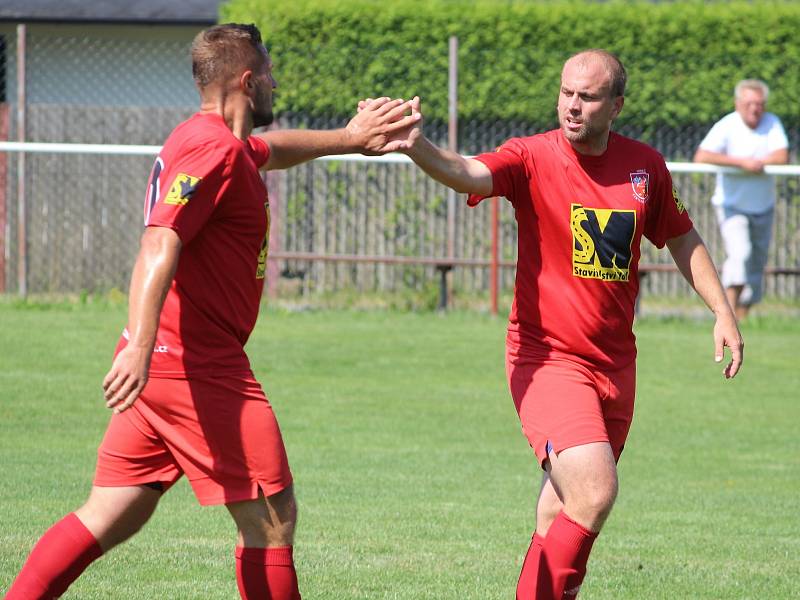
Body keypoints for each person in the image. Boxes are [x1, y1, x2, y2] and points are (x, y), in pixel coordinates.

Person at [4, 23, 418, 600]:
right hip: (194, 365)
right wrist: (145, 346)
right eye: (269, 75)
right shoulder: (213, 148)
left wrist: (351, 138)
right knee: (272, 521)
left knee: (114, 512)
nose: (275, 85)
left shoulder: (215, 143)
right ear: (248, 81)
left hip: (167, 365)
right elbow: (159, 241)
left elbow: (273, 150)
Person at [384, 50, 743, 599]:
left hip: (616, 366)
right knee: (594, 491)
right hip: (547, 357)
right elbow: (468, 173)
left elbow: (680, 236)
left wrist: (722, 310)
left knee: (560, 511)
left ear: (616, 105)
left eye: (589, 97)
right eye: (566, 93)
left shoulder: (644, 166)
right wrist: (419, 147)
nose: (573, 106)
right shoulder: (531, 157)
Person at [693, 79, 788, 320]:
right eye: (749, 104)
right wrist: (742, 163)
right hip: (731, 206)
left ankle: (744, 319)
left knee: (756, 264)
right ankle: (728, 316)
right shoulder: (727, 125)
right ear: (738, 104)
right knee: (740, 254)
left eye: (759, 104)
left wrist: (760, 163)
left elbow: (782, 155)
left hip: (763, 207)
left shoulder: (772, 123)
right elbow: (702, 156)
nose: (755, 109)